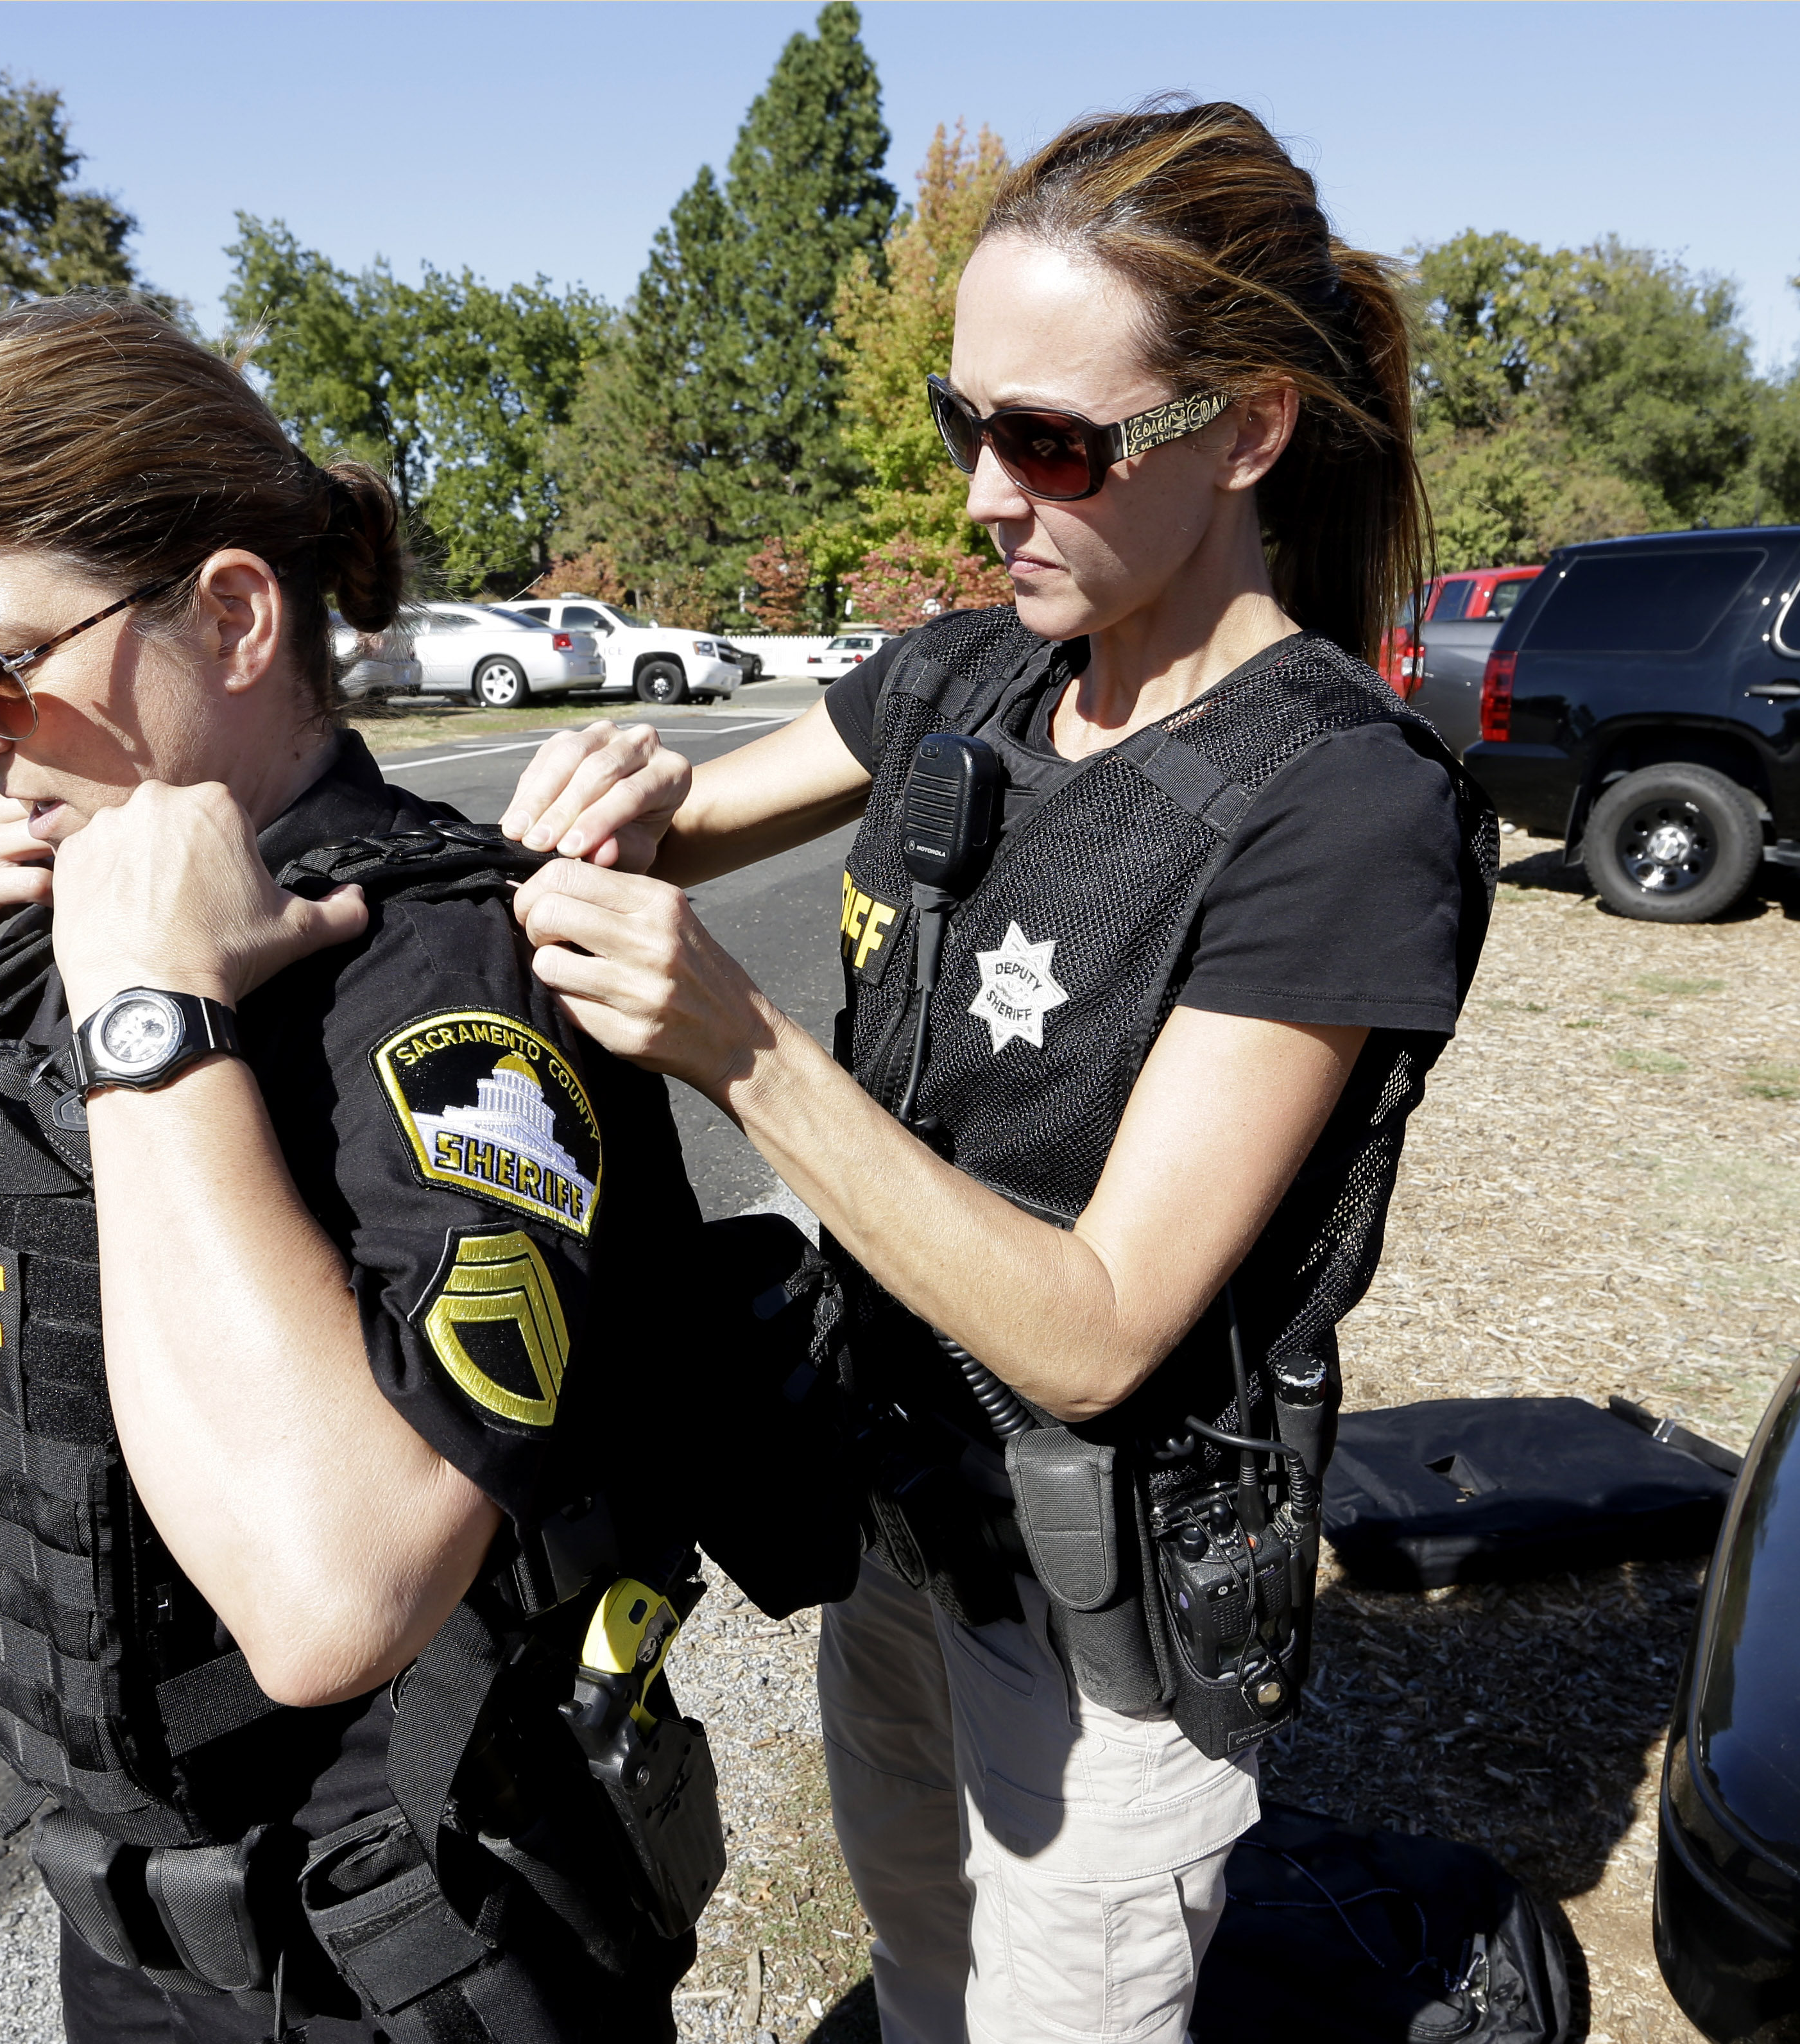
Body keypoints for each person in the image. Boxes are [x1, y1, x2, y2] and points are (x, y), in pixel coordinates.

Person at [495, 100, 1496, 2044]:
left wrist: (746, 1047)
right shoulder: (969, 672)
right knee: (919, 1971)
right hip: (890, 1515)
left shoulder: (1333, 807)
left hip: (1096, 1608)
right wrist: (608, 798)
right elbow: (691, 819)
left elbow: (1100, 1329)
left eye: (1048, 440)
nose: (979, 492)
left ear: (1249, 428)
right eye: (968, 421)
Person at [0, 296, 728, 2044]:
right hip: (145, 1930)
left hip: (417, 1950)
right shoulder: (49, 904)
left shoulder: (433, 969)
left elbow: (328, 1603)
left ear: (227, 612)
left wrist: (150, 1019)